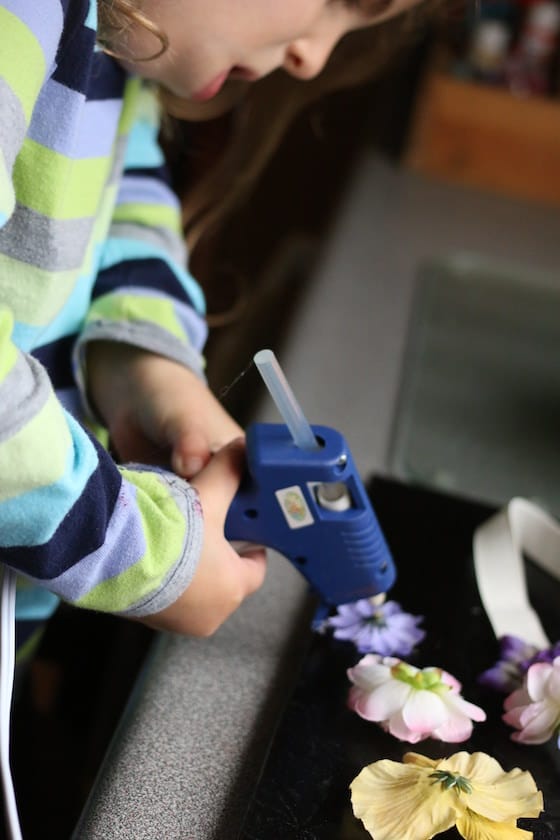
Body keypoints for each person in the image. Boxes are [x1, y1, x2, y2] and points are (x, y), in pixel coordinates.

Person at [0, 0, 427, 650]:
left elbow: (121, 208)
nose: (310, 60)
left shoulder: (115, 47)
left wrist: (144, 367)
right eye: (340, 3)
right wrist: (130, 549)